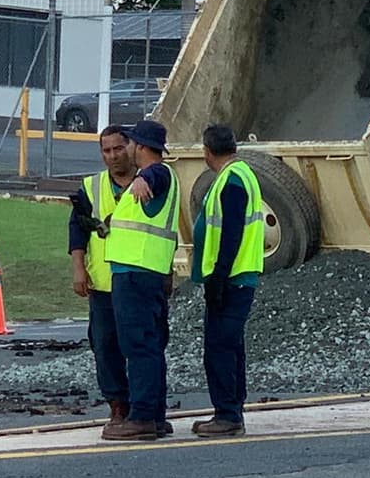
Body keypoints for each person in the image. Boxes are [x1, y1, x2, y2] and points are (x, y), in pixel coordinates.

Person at [102, 119, 180, 441]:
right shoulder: (153, 179)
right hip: (145, 273)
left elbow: (154, 174)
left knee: (139, 346)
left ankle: (143, 417)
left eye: (131, 143)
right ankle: (155, 416)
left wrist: (141, 178)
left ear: (142, 148)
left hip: (136, 274)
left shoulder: (155, 174)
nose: (127, 149)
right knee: (149, 345)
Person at [191, 124, 264, 438]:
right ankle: (231, 409)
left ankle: (228, 415)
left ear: (207, 151)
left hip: (232, 278)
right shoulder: (240, 174)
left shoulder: (231, 180)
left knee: (220, 347)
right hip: (238, 276)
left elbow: (230, 233)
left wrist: (218, 277)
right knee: (230, 346)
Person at [69, 126, 135, 425]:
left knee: (142, 345)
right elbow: (77, 230)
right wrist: (79, 269)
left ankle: (146, 405)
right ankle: (118, 405)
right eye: (106, 151)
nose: (112, 156)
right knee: (105, 345)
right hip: (104, 282)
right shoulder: (91, 187)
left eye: (118, 149)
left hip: (139, 281)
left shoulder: (151, 180)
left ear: (130, 147)